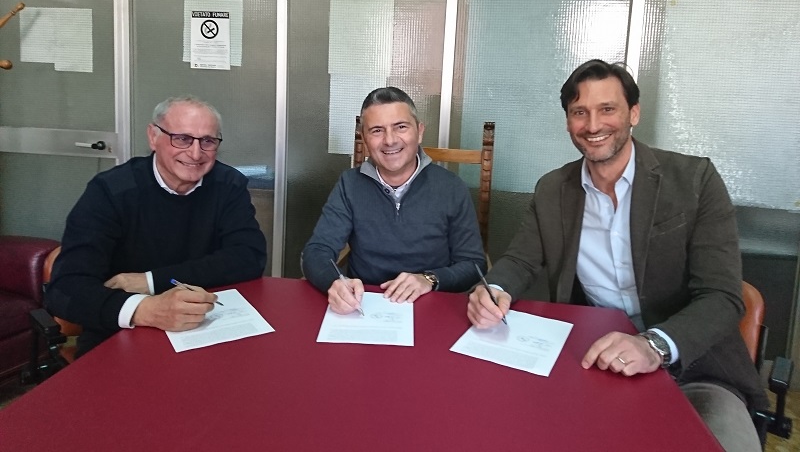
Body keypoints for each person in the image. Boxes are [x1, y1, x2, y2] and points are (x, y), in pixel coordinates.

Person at [467, 60, 766, 452]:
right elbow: (520, 261)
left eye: (607, 109)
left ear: (633, 114)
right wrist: (494, 289)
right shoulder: (554, 189)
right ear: (568, 122)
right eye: (580, 112)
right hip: (594, 359)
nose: (593, 125)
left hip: (698, 370)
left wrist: (654, 345)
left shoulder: (694, 180)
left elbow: (723, 296)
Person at [46, 96, 267, 356]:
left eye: (207, 141)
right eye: (182, 139)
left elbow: (249, 257)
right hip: (121, 338)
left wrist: (151, 281)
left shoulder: (228, 184)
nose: (195, 153)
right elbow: (65, 290)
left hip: (204, 330)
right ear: (153, 137)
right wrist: (146, 309)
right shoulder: (110, 190)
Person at [302, 86, 486, 314]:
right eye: (377, 130)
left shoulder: (451, 187)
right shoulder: (350, 184)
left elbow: (474, 264)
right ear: (365, 139)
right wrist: (335, 282)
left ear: (419, 132)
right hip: (364, 305)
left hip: (432, 305)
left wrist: (430, 279)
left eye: (401, 127)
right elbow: (317, 250)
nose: (389, 140)